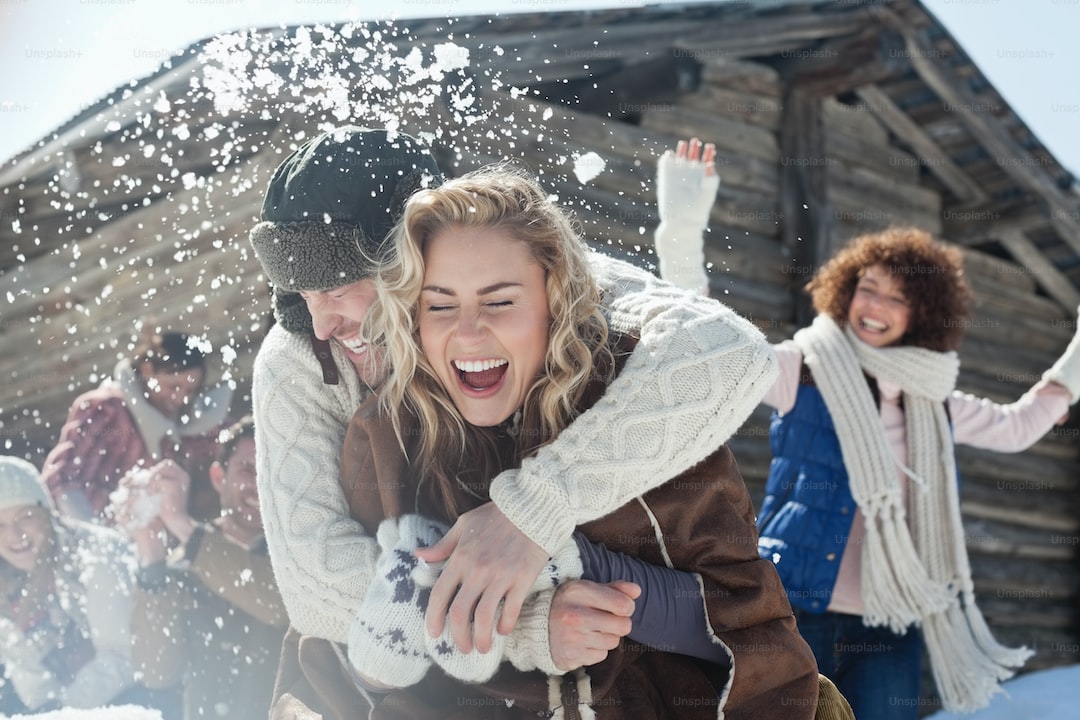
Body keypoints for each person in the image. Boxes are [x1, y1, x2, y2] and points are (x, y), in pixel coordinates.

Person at [247, 125, 778, 662]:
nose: (320, 325)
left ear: (413, 263)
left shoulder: (533, 281)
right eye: (303, 295)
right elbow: (314, 583)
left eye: (338, 290)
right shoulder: (297, 362)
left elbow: (732, 354)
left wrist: (531, 512)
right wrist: (515, 624)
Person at [333, 163, 820, 719]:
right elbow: (336, 668)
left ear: (553, 300)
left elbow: (753, 633)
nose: (468, 333)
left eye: (499, 301)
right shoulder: (388, 437)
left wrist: (570, 562)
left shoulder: (639, 407)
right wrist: (388, 649)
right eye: (440, 304)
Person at [653, 151, 1080, 717]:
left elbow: (1021, 424)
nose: (875, 307)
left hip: (891, 619)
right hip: (793, 604)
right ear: (845, 290)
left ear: (921, 314)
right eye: (868, 288)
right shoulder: (802, 370)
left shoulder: (935, 403)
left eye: (897, 297)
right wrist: (681, 228)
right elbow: (713, 345)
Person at [113, 416, 287, 720]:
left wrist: (181, 524)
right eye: (247, 468)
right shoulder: (184, 560)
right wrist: (150, 550)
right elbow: (156, 671)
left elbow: (277, 605)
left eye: (271, 470)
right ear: (219, 477)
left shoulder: (295, 554)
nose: (260, 482)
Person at [41, 329, 233, 524]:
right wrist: (96, 537)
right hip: (102, 530)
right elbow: (62, 477)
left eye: (191, 390)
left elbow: (240, 444)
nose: (181, 398)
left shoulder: (198, 423)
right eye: (173, 387)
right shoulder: (106, 410)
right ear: (147, 370)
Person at [0, 455, 138, 712]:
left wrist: (63, 709)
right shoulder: (6, 582)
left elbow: (125, 656)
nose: (14, 535)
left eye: (25, 516)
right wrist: (46, 709)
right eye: (0, 525)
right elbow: (28, 674)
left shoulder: (97, 553)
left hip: (140, 695)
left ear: (47, 512)